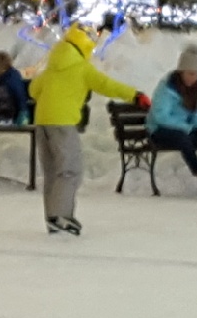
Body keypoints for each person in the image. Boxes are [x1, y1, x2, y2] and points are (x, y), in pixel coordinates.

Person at [29, 25, 143, 236]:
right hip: (63, 123)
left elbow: (34, 90)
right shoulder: (81, 68)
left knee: (53, 172)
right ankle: (61, 217)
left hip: (41, 122)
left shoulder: (52, 66)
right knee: (70, 170)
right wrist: (134, 95)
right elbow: (106, 85)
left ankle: (53, 216)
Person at [147, 45, 197, 193]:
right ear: (181, 72)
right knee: (183, 139)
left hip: (186, 129)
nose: (193, 78)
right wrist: (186, 127)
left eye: (196, 74)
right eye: (189, 73)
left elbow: (196, 112)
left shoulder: (195, 89)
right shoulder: (166, 88)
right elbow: (160, 116)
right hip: (160, 129)